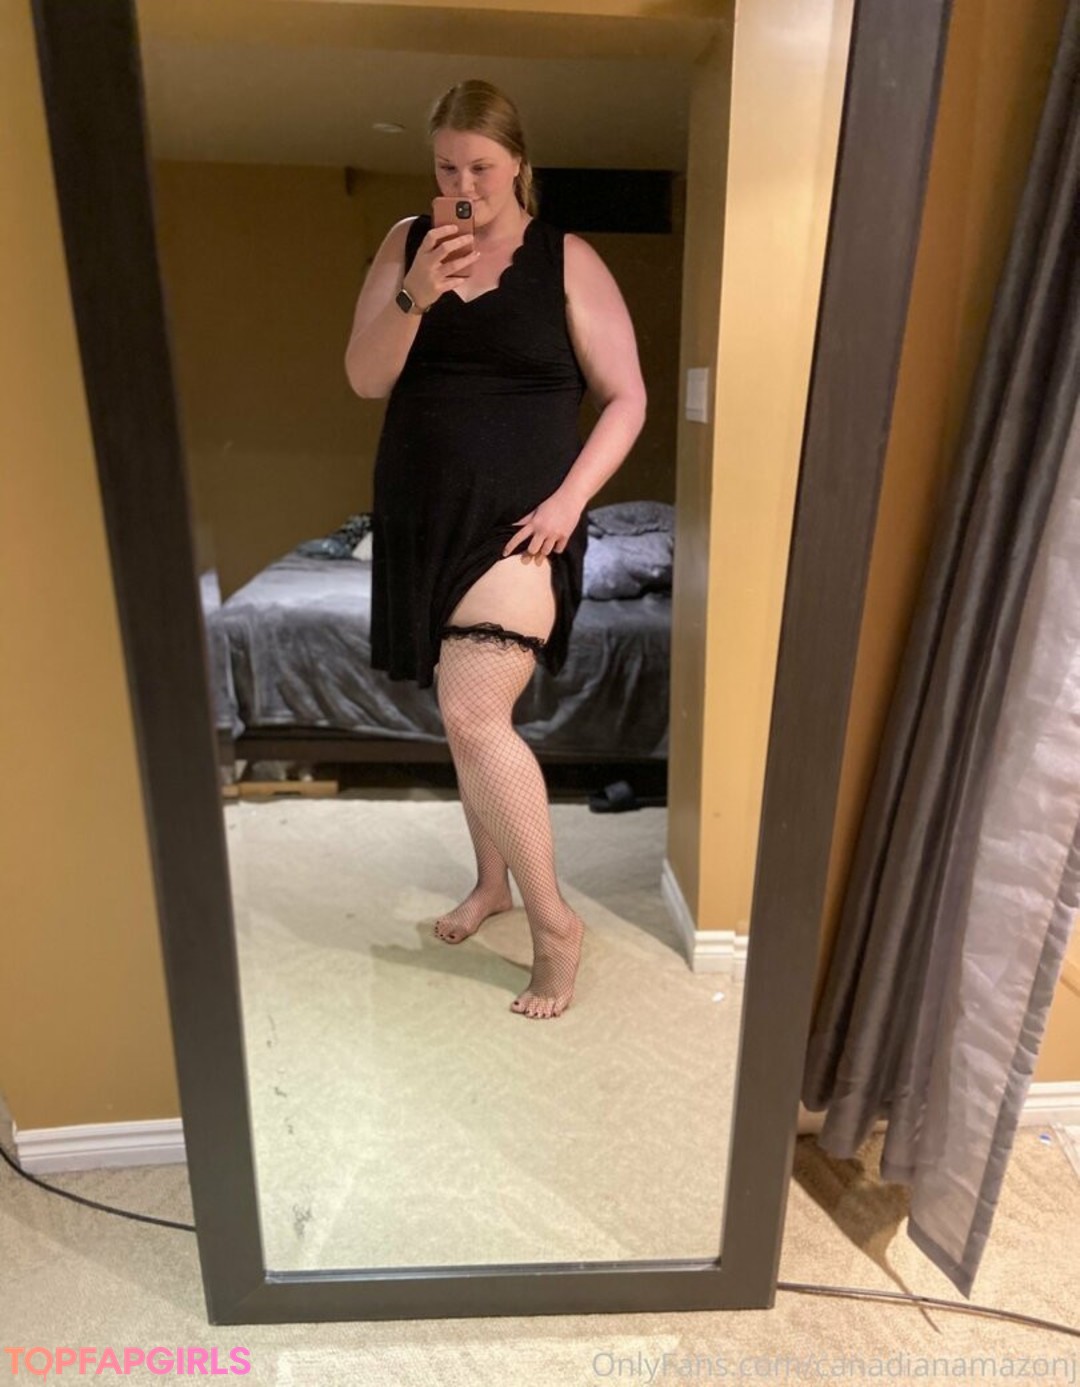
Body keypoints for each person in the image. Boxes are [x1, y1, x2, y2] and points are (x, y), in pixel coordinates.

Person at [344, 79, 646, 1019]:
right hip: (422, 514)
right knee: (457, 710)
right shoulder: (409, 244)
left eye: (481, 166)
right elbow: (365, 377)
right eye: (446, 167)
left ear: (518, 162)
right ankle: (492, 883)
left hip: (525, 524)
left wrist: (569, 501)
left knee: (476, 710)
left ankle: (556, 924)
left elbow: (627, 397)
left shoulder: (568, 258)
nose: (463, 185)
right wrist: (416, 294)